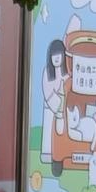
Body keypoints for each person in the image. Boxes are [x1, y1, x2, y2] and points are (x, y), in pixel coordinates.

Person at [42, 37, 67, 172]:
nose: (56, 58)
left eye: (59, 55)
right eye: (54, 55)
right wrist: (57, 106)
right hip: (51, 109)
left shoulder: (67, 74)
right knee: (48, 134)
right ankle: (47, 155)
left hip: (64, 110)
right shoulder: (47, 73)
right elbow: (48, 93)